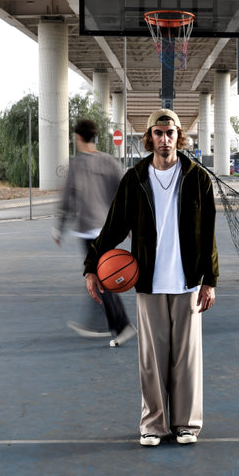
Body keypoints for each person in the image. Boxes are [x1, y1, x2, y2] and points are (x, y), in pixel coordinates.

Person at [84, 108, 219, 446]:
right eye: (158, 133)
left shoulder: (198, 178)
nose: (164, 139)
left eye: (170, 133)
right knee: (151, 360)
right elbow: (114, 226)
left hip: (188, 282)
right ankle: (153, 425)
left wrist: (210, 280)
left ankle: (186, 424)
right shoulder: (134, 179)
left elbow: (208, 234)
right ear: (149, 138)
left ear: (178, 136)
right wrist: (91, 266)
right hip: (149, 282)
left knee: (187, 360)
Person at [53, 118, 135, 347]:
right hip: (107, 229)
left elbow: (67, 199)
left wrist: (58, 227)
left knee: (102, 278)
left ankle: (122, 325)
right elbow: (123, 193)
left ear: (78, 137)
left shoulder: (76, 164)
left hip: (88, 231)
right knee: (98, 277)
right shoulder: (109, 161)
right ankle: (100, 324)